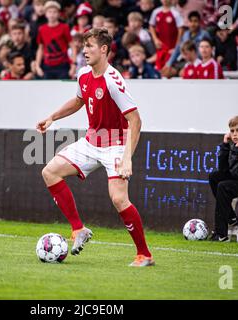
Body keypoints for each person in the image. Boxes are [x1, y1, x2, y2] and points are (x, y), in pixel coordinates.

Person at [36, 28, 155, 267]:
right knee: (50, 172)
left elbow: (136, 121)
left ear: (103, 50)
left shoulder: (113, 80)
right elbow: (79, 100)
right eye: (83, 46)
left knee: (119, 199)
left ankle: (144, 255)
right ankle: (78, 229)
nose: (84, 50)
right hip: (91, 143)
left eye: (89, 46)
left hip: (115, 146)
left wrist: (127, 158)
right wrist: (53, 117)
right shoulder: (83, 74)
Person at [35, 1, 75, 79]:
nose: (52, 14)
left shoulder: (64, 27)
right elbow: (40, 48)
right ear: (45, 14)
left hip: (62, 65)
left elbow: (72, 46)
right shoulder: (42, 29)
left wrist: (73, 65)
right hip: (47, 66)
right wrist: (37, 65)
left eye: (54, 12)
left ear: (58, 14)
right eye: (49, 12)